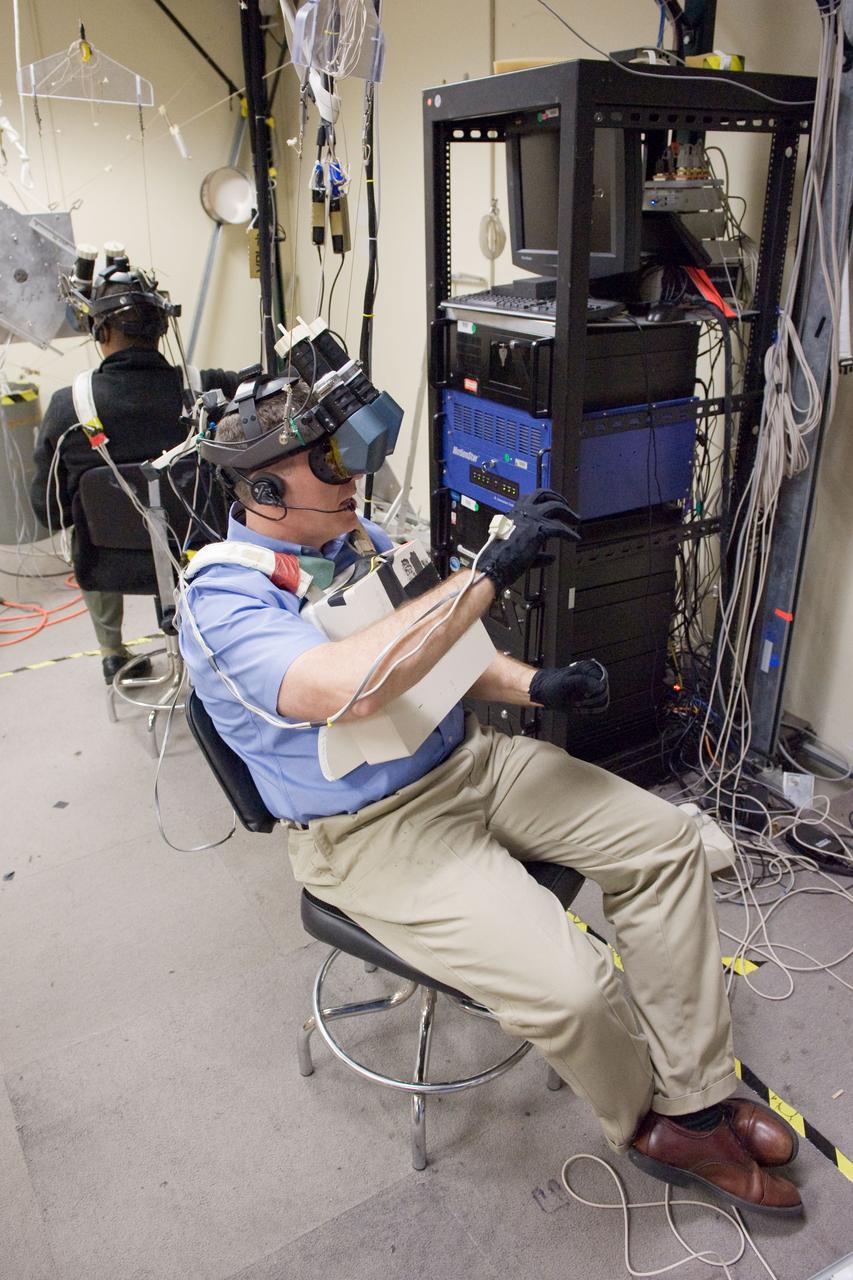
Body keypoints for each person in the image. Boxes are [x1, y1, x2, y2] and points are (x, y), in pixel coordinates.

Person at [179, 378, 803, 1218]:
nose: (351, 476)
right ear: (262, 490)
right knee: (576, 988)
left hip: (469, 763)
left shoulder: (354, 535)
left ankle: (695, 1092)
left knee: (665, 843)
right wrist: (485, 574)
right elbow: (354, 686)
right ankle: (654, 1126)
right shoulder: (222, 600)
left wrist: (533, 683)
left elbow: (433, 646)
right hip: (371, 833)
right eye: (328, 462)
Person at [31, 261, 238, 683]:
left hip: (111, 563)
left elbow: (49, 512)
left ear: (99, 331)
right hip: (203, 557)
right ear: (161, 329)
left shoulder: (68, 406)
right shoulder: (211, 388)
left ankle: (112, 652)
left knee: (84, 520)